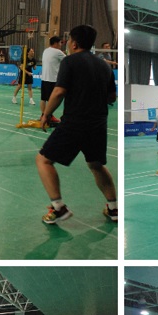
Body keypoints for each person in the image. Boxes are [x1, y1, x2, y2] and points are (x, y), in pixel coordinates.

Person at [36, 24, 118, 224]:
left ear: (73, 43)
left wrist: (46, 114)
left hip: (75, 122)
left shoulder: (69, 61)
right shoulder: (104, 66)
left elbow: (59, 92)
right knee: (96, 165)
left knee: (43, 161)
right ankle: (114, 208)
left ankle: (59, 208)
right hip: (98, 123)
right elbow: (111, 97)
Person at [40, 35, 66, 125]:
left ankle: (43, 115)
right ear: (55, 43)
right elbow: (68, 60)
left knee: (43, 98)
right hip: (53, 79)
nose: (61, 45)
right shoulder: (57, 52)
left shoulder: (46, 50)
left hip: (44, 78)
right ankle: (49, 116)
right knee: (53, 99)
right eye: (60, 43)